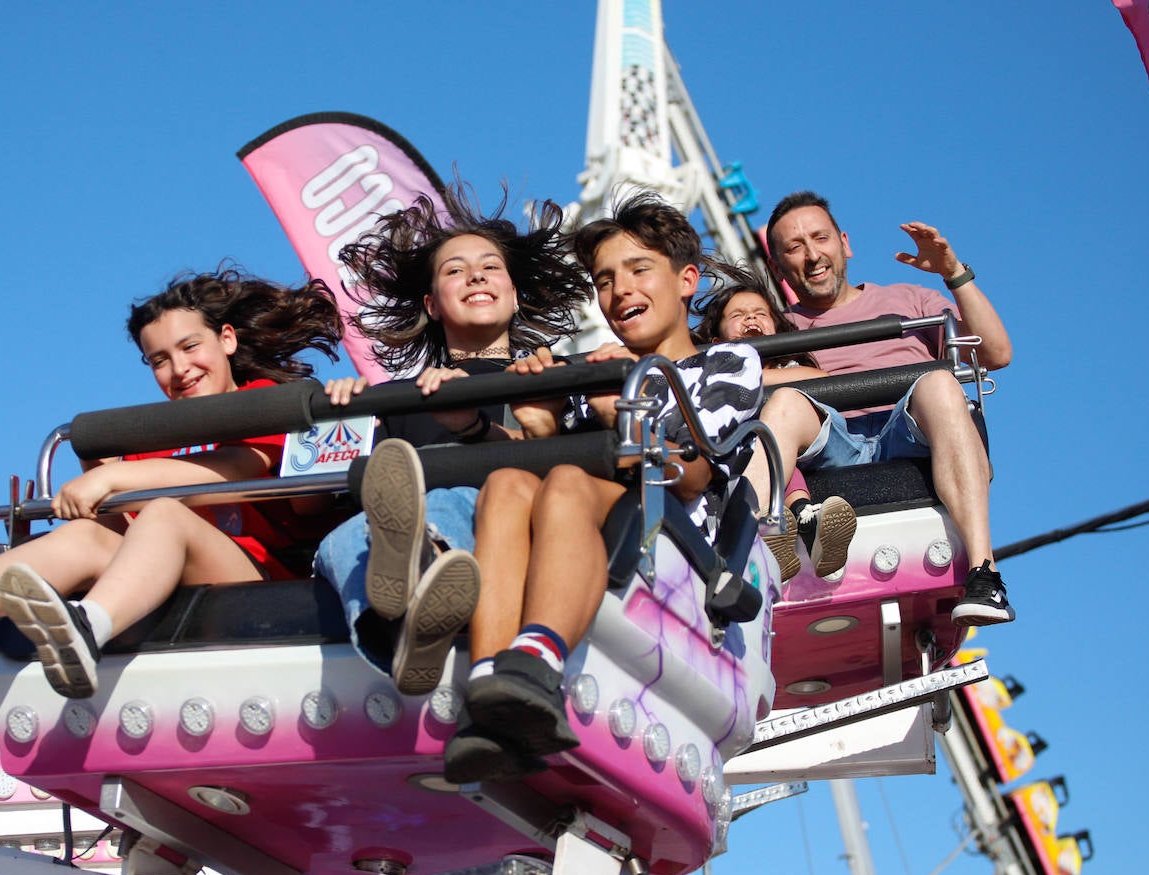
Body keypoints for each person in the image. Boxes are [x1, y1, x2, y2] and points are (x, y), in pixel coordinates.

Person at [0, 268, 342, 698]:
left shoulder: (260, 400)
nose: (180, 368)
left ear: (226, 339)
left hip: (257, 576)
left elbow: (234, 468)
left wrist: (111, 475)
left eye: (190, 347)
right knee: (91, 533)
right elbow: (125, 521)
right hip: (172, 576)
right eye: (160, 360)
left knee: (166, 512)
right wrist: (97, 470)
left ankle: (87, 629)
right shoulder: (158, 436)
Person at [442, 193, 764, 783]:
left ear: (686, 279)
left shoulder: (725, 365)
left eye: (640, 270)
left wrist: (625, 411)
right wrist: (529, 418)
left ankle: (537, 657)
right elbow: (531, 465)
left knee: (566, 482)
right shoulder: (589, 369)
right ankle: (491, 682)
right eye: (605, 280)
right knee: (509, 484)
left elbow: (694, 476)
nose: (620, 292)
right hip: (596, 523)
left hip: (680, 543)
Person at [314, 185, 589, 695]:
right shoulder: (393, 399)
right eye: (454, 270)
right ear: (432, 304)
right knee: (341, 539)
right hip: (386, 530)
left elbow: (581, 488)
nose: (476, 276)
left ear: (514, 292)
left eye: (490, 267)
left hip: (503, 524)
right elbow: (343, 489)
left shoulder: (555, 377)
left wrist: (536, 422)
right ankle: (408, 625)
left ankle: (425, 565)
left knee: (449, 501)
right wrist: (343, 416)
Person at [742, 190, 1014, 627]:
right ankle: (745, 556)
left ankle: (985, 574)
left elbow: (996, 353)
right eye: (795, 248)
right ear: (778, 266)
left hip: (910, 429)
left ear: (844, 243)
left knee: (940, 382)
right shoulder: (780, 327)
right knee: (785, 402)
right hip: (831, 440)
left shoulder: (909, 301)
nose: (812, 255)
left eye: (820, 238)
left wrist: (953, 273)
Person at [693, 261, 857, 580]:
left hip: (800, 452)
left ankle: (789, 519)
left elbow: (819, 378)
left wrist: (754, 376)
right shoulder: (710, 378)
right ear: (716, 343)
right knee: (760, 434)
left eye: (760, 313)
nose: (750, 318)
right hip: (743, 457)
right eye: (738, 316)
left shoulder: (787, 368)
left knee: (776, 422)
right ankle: (800, 519)